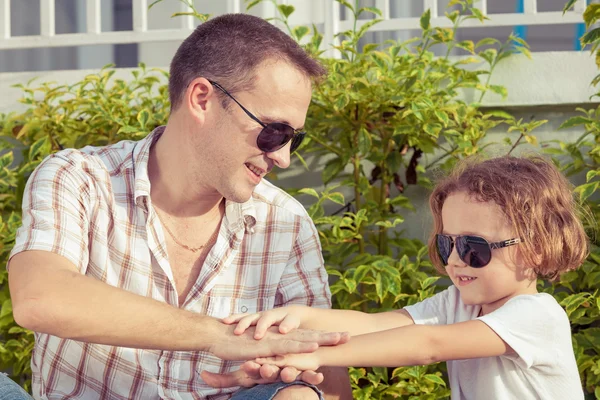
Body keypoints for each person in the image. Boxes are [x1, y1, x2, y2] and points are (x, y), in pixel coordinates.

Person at [7, 13, 353, 400]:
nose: (284, 158)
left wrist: (291, 378)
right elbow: (40, 297)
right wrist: (218, 337)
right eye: (274, 132)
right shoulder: (79, 177)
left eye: (294, 139)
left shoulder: (286, 223)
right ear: (202, 99)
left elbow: (328, 375)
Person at [221, 155, 588, 399]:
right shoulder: (458, 304)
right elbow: (372, 324)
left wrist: (312, 355)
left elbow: (428, 345)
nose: (456, 260)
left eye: (475, 248)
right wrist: (298, 318)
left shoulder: (537, 315)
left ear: (537, 248)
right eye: (447, 244)